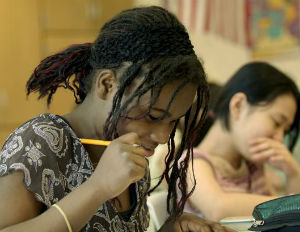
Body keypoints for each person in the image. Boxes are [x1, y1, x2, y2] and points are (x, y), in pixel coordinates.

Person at [0, 6, 233, 232]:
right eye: (152, 116)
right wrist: (97, 188)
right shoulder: (40, 140)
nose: (163, 137)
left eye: (173, 122)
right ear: (107, 85)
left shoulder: (128, 153)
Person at [184, 62, 300, 221]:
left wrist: (293, 174)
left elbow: (288, 221)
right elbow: (218, 209)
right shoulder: (192, 163)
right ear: (238, 106)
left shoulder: (253, 168)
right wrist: (291, 205)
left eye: (285, 131)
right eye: (276, 122)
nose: (279, 139)